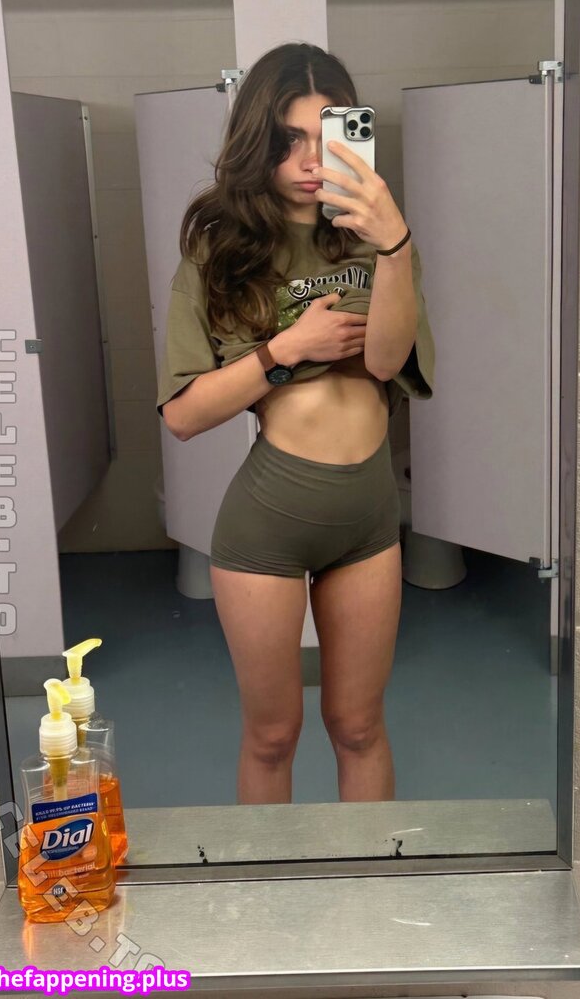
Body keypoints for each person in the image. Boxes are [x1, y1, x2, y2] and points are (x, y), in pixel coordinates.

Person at [155, 42, 435, 806]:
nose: (310, 161)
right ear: (259, 140)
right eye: (289, 140)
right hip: (268, 522)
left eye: (327, 136)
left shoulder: (378, 236)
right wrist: (286, 351)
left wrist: (396, 247)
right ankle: (271, 882)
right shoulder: (219, 249)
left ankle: (366, 882)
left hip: (367, 518)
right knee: (273, 735)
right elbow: (183, 415)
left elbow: (387, 362)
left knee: (360, 726)